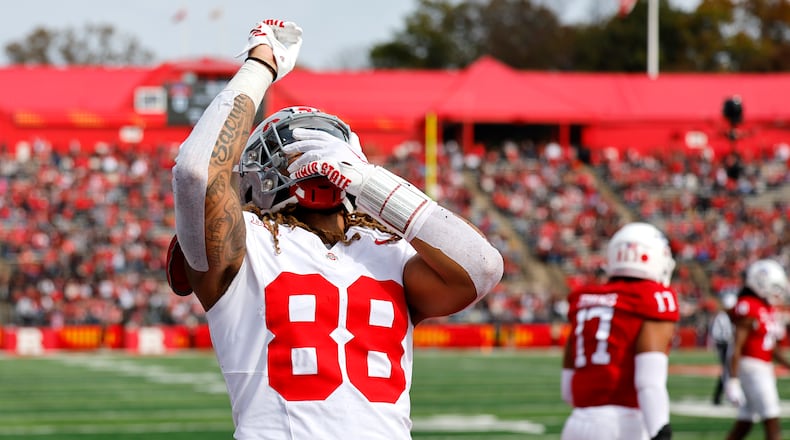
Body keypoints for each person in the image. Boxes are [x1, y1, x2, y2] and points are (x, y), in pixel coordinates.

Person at [166, 18, 504, 439]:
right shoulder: (248, 243)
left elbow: (483, 266)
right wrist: (261, 64)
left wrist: (366, 180)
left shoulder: (388, 251)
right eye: (297, 151)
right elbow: (196, 172)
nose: (309, 163)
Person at [560, 222, 678, 440]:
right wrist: (661, 430)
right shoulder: (651, 298)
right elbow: (649, 383)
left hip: (576, 424)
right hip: (623, 425)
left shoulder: (584, 299)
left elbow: (567, 389)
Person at [724, 259, 790, 440]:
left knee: (745, 422)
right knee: (772, 420)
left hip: (762, 366)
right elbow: (737, 345)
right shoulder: (748, 305)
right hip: (751, 367)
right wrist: (733, 379)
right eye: (774, 286)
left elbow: (771, 348)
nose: (778, 291)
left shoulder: (765, 307)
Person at [709, 290, 736, 405]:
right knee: (727, 371)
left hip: (731, 344)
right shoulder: (721, 317)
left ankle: (720, 396)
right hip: (724, 345)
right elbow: (716, 333)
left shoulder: (732, 316)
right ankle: (724, 396)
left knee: (729, 371)